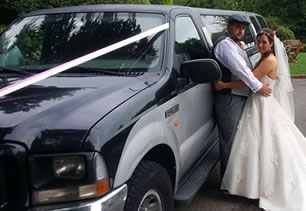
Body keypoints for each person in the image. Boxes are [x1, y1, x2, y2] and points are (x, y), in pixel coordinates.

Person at [217, 28, 305, 211]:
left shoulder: (270, 60)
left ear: (272, 44)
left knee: (262, 143)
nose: (260, 45)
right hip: (258, 102)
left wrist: (224, 85)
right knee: (255, 143)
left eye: (264, 42)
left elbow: (248, 80)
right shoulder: (265, 57)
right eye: (258, 42)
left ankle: (262, 186)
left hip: (262, 103)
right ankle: (253, 185)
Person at [212, 14, 272, 178]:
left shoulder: (236, 43)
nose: (241, 31)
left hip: (238, 96)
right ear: (228, 26)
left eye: (244, 28)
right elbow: (241, 70)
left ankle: (236, 180)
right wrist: (258, 86)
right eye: (238, 27)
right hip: (229, 98)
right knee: (229, 141)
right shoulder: (225, 45)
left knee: (239, 139)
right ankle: (227, 181)